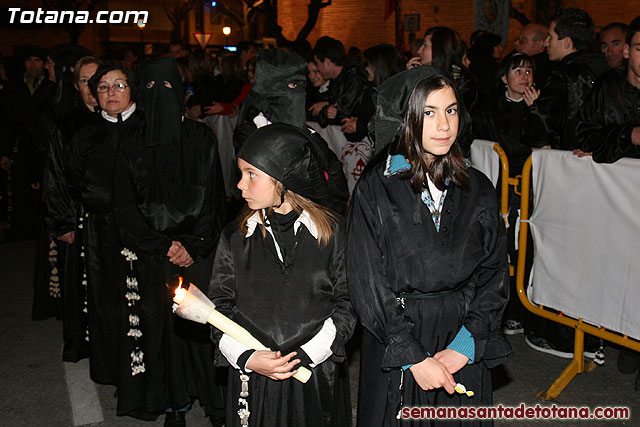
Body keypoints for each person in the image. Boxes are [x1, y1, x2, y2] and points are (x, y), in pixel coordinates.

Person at [347, 69, 511, 427]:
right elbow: (367, 280)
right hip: (398, 330)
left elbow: (495, 272)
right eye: (429, 112)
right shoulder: (377, 189)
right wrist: (413, 356)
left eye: (451, 110)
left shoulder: (478, 187)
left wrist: (465, 345)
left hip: (460, 331)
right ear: (407, 118)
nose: (444, 125)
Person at [207, 123, 356, 427]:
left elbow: (348, 305)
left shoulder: (332, 233)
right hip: (255, 375)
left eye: (252, 174)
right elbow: (217, 309)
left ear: (284, 179)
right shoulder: (236, 237)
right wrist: (247, 357)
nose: (239, 185)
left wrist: (306, 353)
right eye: (241, 173)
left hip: (315, 373)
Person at [111, 57, 227, 426]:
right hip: (152, 255)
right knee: (162, 334)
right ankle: (173, 405)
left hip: (196, 254)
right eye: (149, 88)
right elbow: (125, 206)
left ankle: (215, 402)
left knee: (204, 326)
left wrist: (194, 245)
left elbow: (214, 199)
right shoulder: (129, 141)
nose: (158, 97)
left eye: (166, 88)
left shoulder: (201, 137)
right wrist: (161, 246)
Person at [67, 63, 140, 385]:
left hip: (142, 232)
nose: (112, 93)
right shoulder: (86, 134)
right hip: (100, 232)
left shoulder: (149, 128)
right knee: (106, 300)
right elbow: (71, 180)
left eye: (119, 85)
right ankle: (112, 369)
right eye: (104, 87)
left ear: (132, 88)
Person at [40, 56, 102, 362]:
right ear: (75, 86)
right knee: (77, 282)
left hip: (110, 219)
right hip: (76, 215)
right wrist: (62, 223)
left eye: (97, 80)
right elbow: (55, 176)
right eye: (84, 81)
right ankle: (79, 342)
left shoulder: (118, 120)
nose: (91, 88)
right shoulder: (65, 125)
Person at [521, 8, 608, 151]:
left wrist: (534, 108)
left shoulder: (562, 76)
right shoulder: (604, 70)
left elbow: (542, 128)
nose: (546, 43)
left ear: (567, 42)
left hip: (569, 159)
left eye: (551, 37)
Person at [575, 16, 640, 164]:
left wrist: (610, 147)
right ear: (626, 51)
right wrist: (628, 135)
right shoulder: (606, 86)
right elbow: (584, 137)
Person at [312, 36, 375, 142]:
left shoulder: (355, 78)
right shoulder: (336, 81)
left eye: (317, 63)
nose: (317, 68)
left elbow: (343, 112)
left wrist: (326, 111)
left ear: (327, 61)